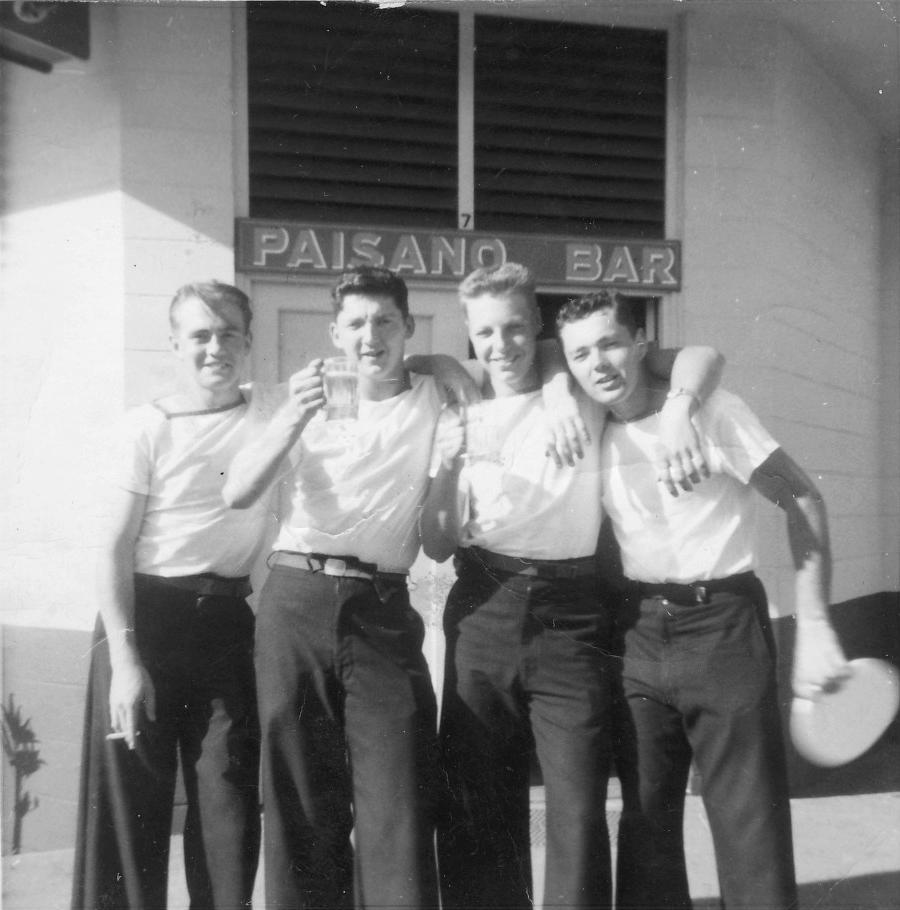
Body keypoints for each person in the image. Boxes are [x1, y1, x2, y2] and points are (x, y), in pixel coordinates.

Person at [419, 263, 724, 910]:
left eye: (514, 328)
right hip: (483, 604)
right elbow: (421, 359)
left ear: (538, 328)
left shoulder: (584, 383)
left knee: (579, 802)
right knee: (478, 799)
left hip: (572, 615)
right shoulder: (460, 401)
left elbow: (702, 355)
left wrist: (670, 411)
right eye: (485, 333)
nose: (500, 345)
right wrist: (450, 368)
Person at [556, 290, 850, 910]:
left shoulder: (714, 412)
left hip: (724, 627)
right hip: (638, 633)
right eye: (581, 353)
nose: (599, 363)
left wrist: (818, 622)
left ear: (643, 344)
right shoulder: (591, 424)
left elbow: (801, 499)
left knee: (751, 831)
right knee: (644, 830)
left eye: (611, 342)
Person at [223, 265, 474, 910]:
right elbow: (238, 490)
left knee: (399, 791)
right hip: (296, 597)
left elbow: (538, 353)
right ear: (335, 332)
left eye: (385, 321)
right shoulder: (298, 398)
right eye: (356, 323)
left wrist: (443, 364)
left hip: (381, 606)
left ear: (408, 328)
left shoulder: (435, 394)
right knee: (301, 796)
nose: (371, 336)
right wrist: (292, 418)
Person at [72, 281, 274, 910]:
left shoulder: (273, 410)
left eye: (229, 335)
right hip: (143, 625)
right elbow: (111, 548)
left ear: (248, 342)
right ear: (175, 344)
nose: (216, 348)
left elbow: (401, 366)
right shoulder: (145, 428)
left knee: (228, 803)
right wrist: (127, 664)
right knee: (130, 818)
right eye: (200, 336)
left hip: (226, 627)